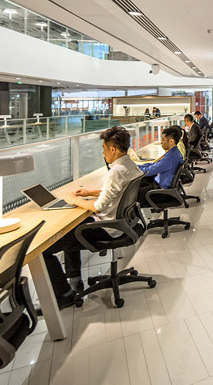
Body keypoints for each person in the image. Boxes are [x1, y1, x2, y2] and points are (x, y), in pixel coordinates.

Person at [43, 126, 142, 308]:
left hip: (107, 228)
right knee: (71, 231)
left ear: (112, 149)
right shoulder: (129, 165)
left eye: (104, 149)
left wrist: (73, 199)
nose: (103, 153)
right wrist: (89, 192)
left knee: (45, 248)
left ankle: (64, 295)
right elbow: (117, 191)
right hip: (122, 223)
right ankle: (74, 279)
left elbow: (98, 206)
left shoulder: (115, 171)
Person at [137, 125, 185, 205]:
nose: (161, 142)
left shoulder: (170, 158)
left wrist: (135, 169)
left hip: (160, 193)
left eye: (163, 140)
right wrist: (139, 166)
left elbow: (149, 171)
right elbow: (154, 165)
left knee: (131, 195)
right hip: (161, 187)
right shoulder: (174, 153)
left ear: (171, 141)